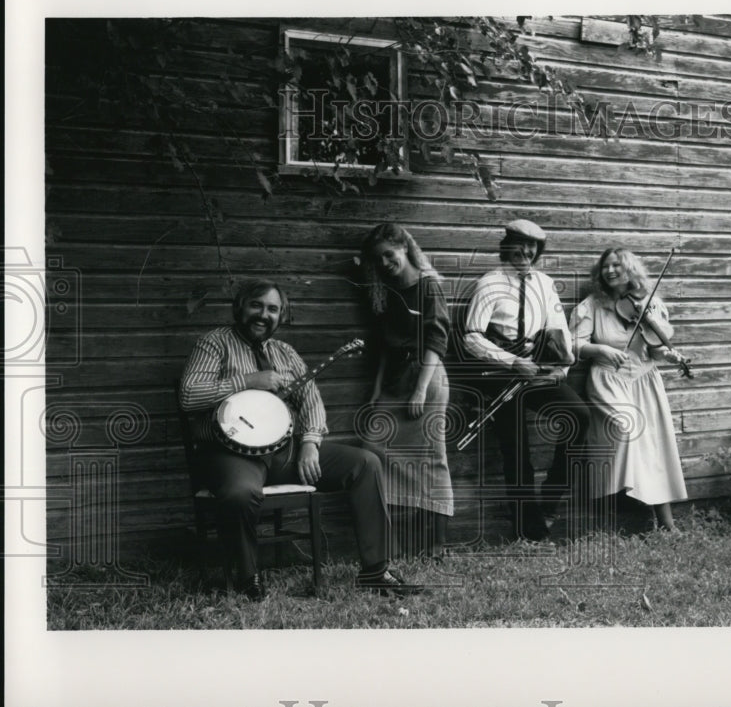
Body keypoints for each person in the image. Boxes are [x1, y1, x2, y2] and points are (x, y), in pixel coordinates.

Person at [180, 278, 421, 599]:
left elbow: (311, 401)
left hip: (286, 451)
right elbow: (188, 395)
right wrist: (250, 380)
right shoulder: (214, 343)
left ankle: (375, 571)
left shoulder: (285, 353)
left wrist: (310, 443)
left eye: (273, 309)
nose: (263, 315)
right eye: (256, 306)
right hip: (232, 454)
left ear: (281, 316)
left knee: (366, 463)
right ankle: (248, 577)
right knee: (239, 493)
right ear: (240, 308)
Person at [461, 219, 591, 541]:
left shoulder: (545, 284)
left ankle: (550, 500)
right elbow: (471, 337)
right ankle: (529, 529)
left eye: (533, 246)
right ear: (507, 245)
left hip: (536, 370)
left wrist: (561, 367)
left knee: (579, 417)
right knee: (516, 449)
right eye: (520, 244)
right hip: (499, 374)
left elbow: (558, 334)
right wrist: (512, 361)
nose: (527, 251)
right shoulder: (489, 283)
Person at [570, 248, 688, 531]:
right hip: (608, 379)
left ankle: (666, 523)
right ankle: (613, 517)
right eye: (605, 267)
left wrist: (670, 356)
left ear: (630, 270)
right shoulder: (592, 305)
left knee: (655, 447)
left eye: (616, 266)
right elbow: (572, 344)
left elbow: (656, 350)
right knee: (626, 430)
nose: (610, 271)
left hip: (645, 381)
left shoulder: (650, 305)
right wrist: (600, 349)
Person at [358, 223, 454, 560]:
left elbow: (437, 340)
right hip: (396, 380)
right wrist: (377, 388)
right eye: (378, 259)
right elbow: (384, 346)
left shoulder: (428, 287)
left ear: (405, 248)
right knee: (372, 447)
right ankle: (388, 541)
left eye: (389, 254)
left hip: (425, 378)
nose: (385, 263)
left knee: (431, 458)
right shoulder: (386, 290)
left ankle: (436, 546)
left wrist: (420, 390)